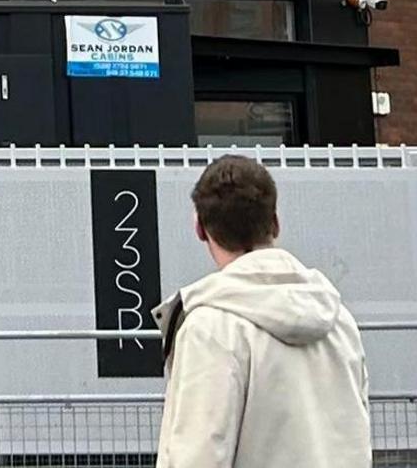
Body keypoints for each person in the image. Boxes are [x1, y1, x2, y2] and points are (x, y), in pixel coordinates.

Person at [157, 155, 372, 468]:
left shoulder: (210, 329)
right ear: (275, 223)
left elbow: (198, 454)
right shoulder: (338, 320)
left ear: (201, 229)